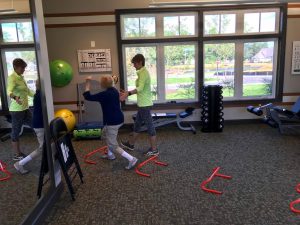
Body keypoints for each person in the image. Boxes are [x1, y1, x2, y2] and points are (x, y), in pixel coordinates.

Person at [83, 75, 138, 170]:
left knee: (113, 145)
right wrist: (111, 80)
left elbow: (87, 96)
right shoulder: (115, 91)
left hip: (112, 122)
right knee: (104, 134)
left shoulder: (104, 94)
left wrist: (88, 82)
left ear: (102, 85)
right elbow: (111, 84)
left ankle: (131, 159)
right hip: (119, 119)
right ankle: (110, 154)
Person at [120, 54, 158, 156]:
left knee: (150, 127)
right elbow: (141, 89)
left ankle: (154, 150)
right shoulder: (142, 72)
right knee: (137, 125)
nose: (133, 65)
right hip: (143, 104)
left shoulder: (143, 73)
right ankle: (131, 144)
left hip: (145, 105)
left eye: (135, 63)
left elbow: (140, 88)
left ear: (140, 62)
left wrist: (128, 93)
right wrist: (127, 92)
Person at [14, 79, 44, 174]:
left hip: (40, 124)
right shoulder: (40, 96)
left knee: (49, 145)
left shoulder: (38, 94)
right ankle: (20, 164)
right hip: (40, 125)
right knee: (42, 148)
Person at [6, 58, 34, 161]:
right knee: (16, 132)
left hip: (25, 108)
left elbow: (27, 91)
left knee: (35, 125)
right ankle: (17, 155)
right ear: (15, 67)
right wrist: (15, 97)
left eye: (24, 68)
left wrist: (38, 95)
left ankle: (45, 146)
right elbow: (8, 91)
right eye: (22, 68)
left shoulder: (21, 77)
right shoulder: (12, 78)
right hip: (17, 110)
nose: (24, 70)